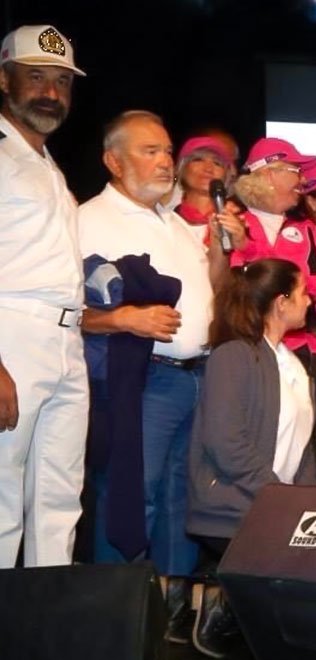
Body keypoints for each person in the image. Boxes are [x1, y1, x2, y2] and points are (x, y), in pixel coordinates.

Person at [79, 110, 232, 639]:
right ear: (112, 160)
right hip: (143, 379)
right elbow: (65, 307)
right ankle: (111, 617)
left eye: (167, 151)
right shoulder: (89, 218)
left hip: (195, 373)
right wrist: (122, 318)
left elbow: (210, 292)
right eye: (150, 151)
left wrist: (216, 251)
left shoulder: (170, 220)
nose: (166, 160)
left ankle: (166, 613)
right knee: (128, 494)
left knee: (178, 498)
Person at [187, 258, 316, 658]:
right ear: (281, 302)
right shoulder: (234, 356)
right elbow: (225, 443)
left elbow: (303, 446)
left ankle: (226, 597)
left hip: (273, 506)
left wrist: (310, 506)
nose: (309, 302)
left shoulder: (291, 363)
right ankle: (215, 602)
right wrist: (281, 497)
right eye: (303, 293)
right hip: (233, 508)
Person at [0, 24, 88, 567]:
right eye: (35, 77)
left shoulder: (47, 163)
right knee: (2, 494)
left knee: (59, 498)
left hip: (65, 338)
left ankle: (46, 634)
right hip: (13, 331)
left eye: (61, 81)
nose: (50, 92)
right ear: (3, 79)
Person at [229, 137, 316, 487]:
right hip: (247, 350)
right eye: (294, 171)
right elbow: (228, 283)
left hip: (300, 352)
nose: (302, 180)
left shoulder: (307, 232)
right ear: (267, 175)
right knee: (257, 437)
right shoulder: (232, 221)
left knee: (310, 441)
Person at [173, 134, 237, 241]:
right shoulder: (164, 221)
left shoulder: (240, 223)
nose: (208, 168)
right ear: (182, 168)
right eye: (198, 159)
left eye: (217, 163)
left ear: (227, 175)